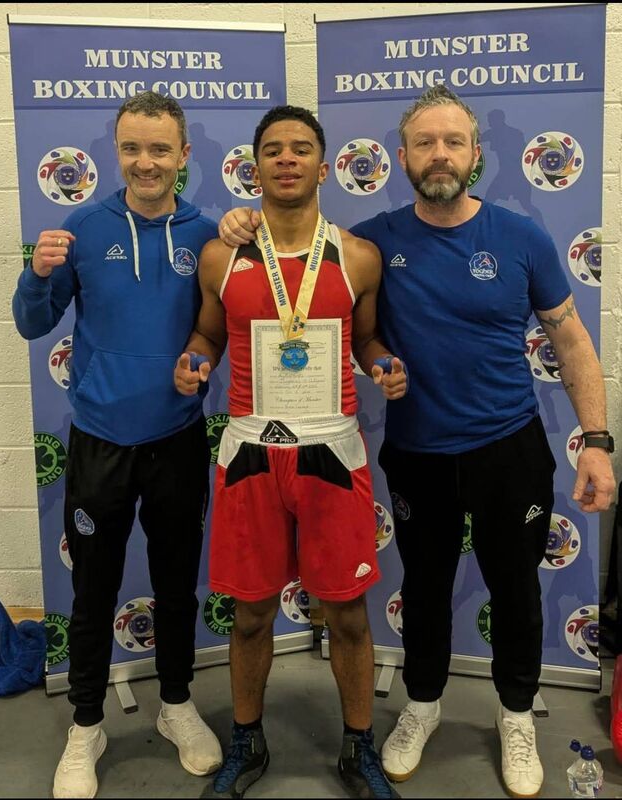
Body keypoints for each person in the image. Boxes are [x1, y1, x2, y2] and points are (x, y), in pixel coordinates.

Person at [216, 85, 617, 799]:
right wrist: (239, 220)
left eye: (453, 141)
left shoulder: (521, 237)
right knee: (424, 591)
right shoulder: (372, 243)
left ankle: (516, 716)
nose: (439, 155)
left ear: (475, 153)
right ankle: (423, 706)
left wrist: (596, 440)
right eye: (425, 143)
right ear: (400, 158)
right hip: (418, 453)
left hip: (508, 448)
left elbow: (571, 335)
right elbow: (300, 250)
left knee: (517, 592)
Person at [174, 105, 406, 799]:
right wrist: (194, 360)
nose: (286, 159)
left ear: (323, 165)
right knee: (249, 612)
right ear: (255, 165)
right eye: (272, 149)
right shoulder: (224, 255)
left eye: (300, 149)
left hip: (332, 452)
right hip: (250, 453)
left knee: (347, 613)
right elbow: (208, 336)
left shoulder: (357, 256)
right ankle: (248, 741)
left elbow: (367, 339)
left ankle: (358, 747)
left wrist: (384, 362)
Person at [12, 91, 223, 799]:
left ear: (184, 155)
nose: (146, 162)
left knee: (174, 584)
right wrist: (37, 273)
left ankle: (175, 705)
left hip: (179, 441)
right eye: (132, 148)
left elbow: (228, 326)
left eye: (160, 149)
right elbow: (31, 324)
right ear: (116, 150)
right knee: (93, 589)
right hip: (100, 443)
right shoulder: (82, 225)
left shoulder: (210, 234)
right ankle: (86, 724)